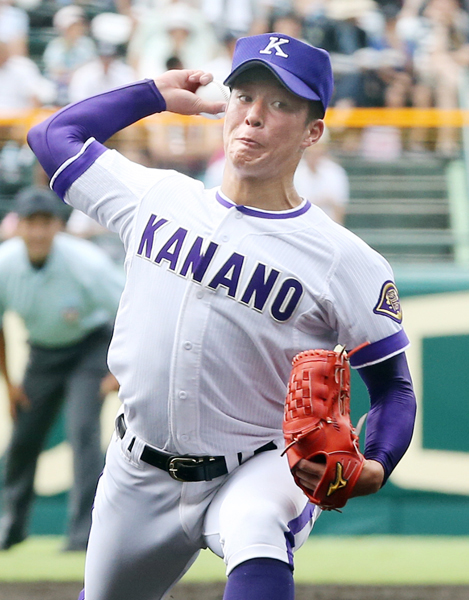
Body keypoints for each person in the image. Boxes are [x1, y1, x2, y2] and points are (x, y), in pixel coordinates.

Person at [27, 33, 417, 600]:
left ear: (313, 131)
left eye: (280, 104)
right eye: (244, 96)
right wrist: (152, 94)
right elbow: (50, 136)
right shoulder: (155, 196)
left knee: (259, 529)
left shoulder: (345, 259)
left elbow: (393, 388)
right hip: (138, 468)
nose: (254, 115)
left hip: (256, 464)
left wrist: (378, 464)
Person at [0, 186, 124, 551]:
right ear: (18, 226)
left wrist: (118, 372)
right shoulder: (5, 264)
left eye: (46, 223)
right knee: (23, 439)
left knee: (83, 432)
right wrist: (9, 385)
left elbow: (129, 311)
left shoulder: (86, 262)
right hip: (43, 353)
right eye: (31, 223)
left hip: (89, 347)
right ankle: (12, 527)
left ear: (58, 226)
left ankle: (83, 533)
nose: (38, 232)